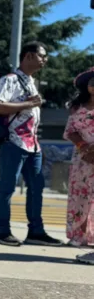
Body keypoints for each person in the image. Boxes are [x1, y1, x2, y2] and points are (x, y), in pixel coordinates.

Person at [0, 42, 61, 246]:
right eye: (42, 56)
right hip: (14, 142)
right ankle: (2, 231)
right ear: (29, 56)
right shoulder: (10, 80)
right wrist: (29, 104)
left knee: (36, 187)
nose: (45, 60)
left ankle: (36, 232)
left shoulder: (31, 81)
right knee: (7, 187)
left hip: (33, 145)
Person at [62, 69, 94, 264]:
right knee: (79, 196)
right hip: (82, 158)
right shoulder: (77, 106)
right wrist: (83, 146)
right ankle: (78, 236)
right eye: (92, 82)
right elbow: (70, 131)